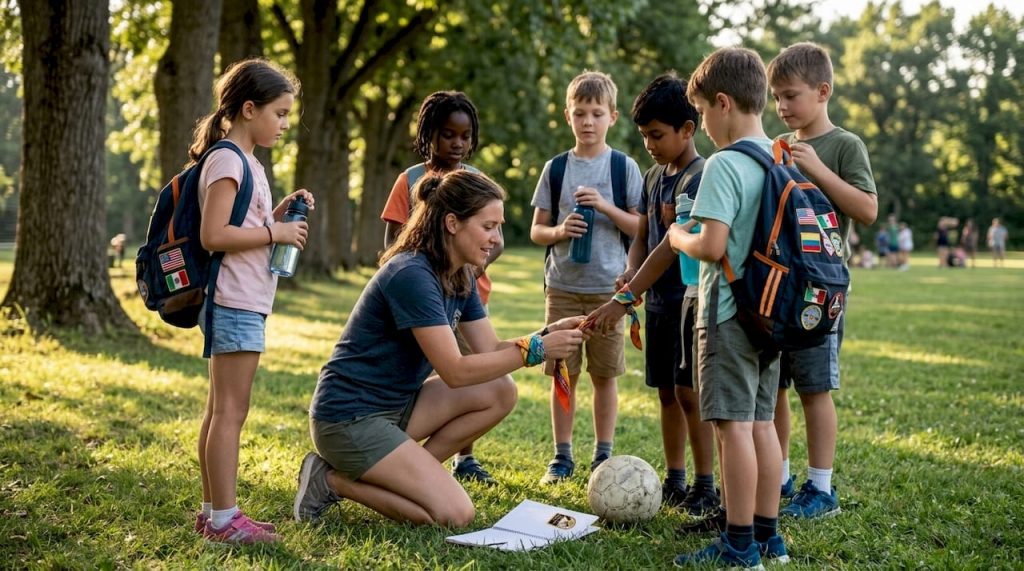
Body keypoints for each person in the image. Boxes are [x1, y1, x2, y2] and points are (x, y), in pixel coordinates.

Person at [293, 170, 587, 526]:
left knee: (500, 391)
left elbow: (489, 348)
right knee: (455, 514)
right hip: (347, 419)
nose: (497, 239)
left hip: (396, 407)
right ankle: (330, 480)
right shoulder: (412, 275)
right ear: (452, 223)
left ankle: (408, 479)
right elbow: (455, 370)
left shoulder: (461, 273)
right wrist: (538, 349)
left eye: (499, 226)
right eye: (488, 226)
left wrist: (546, 333)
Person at [667, 47, 786, 568]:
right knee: (761, 423)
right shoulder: (780, 156)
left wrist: (676, 237)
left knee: (731, 426)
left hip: (727, 314)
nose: (705, 128)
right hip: (772, 313)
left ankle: (738, 545)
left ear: (722, 103)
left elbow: (712, 245)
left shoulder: (725, 163)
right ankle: (769, 537)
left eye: (703, 115)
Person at [587, 72, 718, 515]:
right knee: (666, 391)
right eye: (644, 136)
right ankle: (676, 478)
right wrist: (629, 271)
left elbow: (668, 247)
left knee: (689, 394)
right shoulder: (653, 175)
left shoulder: (702, 178)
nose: (650, 144)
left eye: (657, 135)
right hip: (659, 303)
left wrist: (623, 300)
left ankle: (705, 484)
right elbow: (644, 235)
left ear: (688, 129)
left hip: (690, 303)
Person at [193, 58, 311, 544]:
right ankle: (225, 519)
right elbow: (213, 235)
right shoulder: (227, 159)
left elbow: (240, 225)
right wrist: (275, 230)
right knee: (230, 413)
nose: (284, 124)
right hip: (234, 301)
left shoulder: (249, 163)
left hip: (244, 300)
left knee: (219, 409)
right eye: (279, 113)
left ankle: (211, 513)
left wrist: (276, 214)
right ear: (248, 109)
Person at [767, 42, 877, 522]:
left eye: (791, 96)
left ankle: (821, 488)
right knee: (774, 387)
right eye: (776, 98)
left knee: (815, 388)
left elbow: (867, 210)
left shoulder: (844, 145)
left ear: (823, 91)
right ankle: (782, 475)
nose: (782, 106)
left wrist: (814, 168)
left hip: (820, 289)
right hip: (777, 287)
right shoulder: (775, 143)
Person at [379, 91, 504, 484]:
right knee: (420, 373)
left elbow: (494, 241)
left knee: (473, 374)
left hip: (465, 303)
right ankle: (395, 451)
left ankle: (462, 457)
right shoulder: (410, 180)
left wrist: (468, 266)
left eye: (465, 136)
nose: (458, 143)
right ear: (428, 134)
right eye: (448, 134)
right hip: (419, 302)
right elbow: (392, 242)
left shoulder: (477, 183)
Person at [529, 70, 642, 484]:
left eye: (597, 113)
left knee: (604, 375)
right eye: (580, 113)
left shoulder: (623, 167)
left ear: (613, 116)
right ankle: (561, 457)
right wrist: (561, 231)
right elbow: (536, 229)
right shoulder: (556, 168)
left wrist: (606, 207)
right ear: (567, 116)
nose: (588, 121)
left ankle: (603, 454)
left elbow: (638, 228)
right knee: (563, 372)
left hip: (608, 292)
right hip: (562, 289)